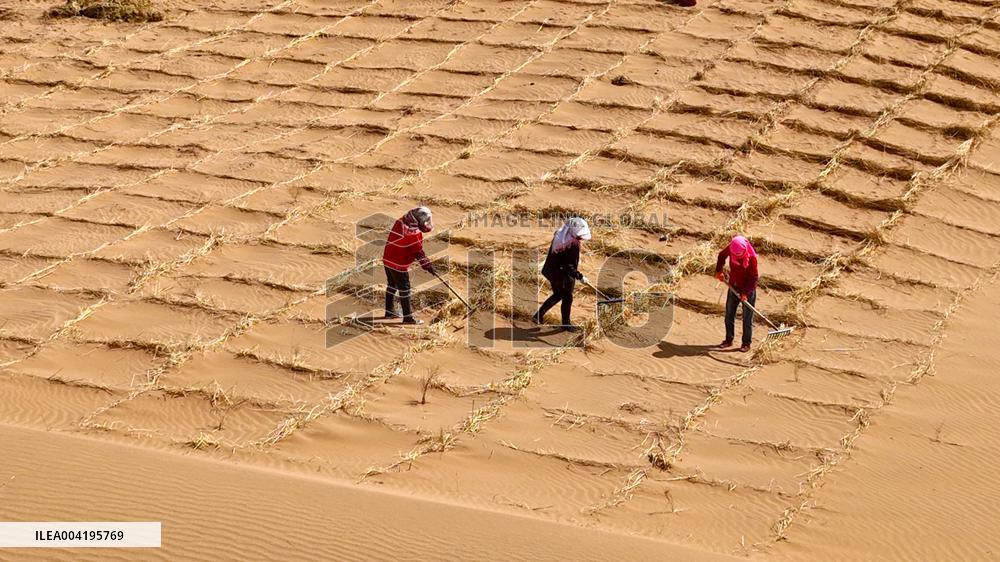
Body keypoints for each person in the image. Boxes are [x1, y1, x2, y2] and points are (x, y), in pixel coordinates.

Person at [532, 217, 592, 332]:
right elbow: (569, 266)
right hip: (561, 275)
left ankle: (538, 316)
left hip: (551, 271)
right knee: (567, 297)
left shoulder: (560, 236)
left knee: (558, 295)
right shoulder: (572, 244)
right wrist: (580, 277)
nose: (581, 237)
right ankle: (566, 324)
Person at [382, 207, 435, 324]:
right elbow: (419, 253)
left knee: (392, 284)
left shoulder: (401, 221)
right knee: (405, 289)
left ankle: (389, 311)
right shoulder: (412, 233)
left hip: (387, 258)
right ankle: (408, 318)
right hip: (398, 264)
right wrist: (429, 266)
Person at [714, 235, 758, 352]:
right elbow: (721, 255)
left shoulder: (752, 258)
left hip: (748, 290)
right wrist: (719, 271)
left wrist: (745, 293)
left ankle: (746, 343)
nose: (737, 258)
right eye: (735, 256)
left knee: (747, 318)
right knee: (729, 315)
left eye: (740, 256)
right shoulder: (733, 247)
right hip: (734, 286)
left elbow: (753, 278)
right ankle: (728, 340)